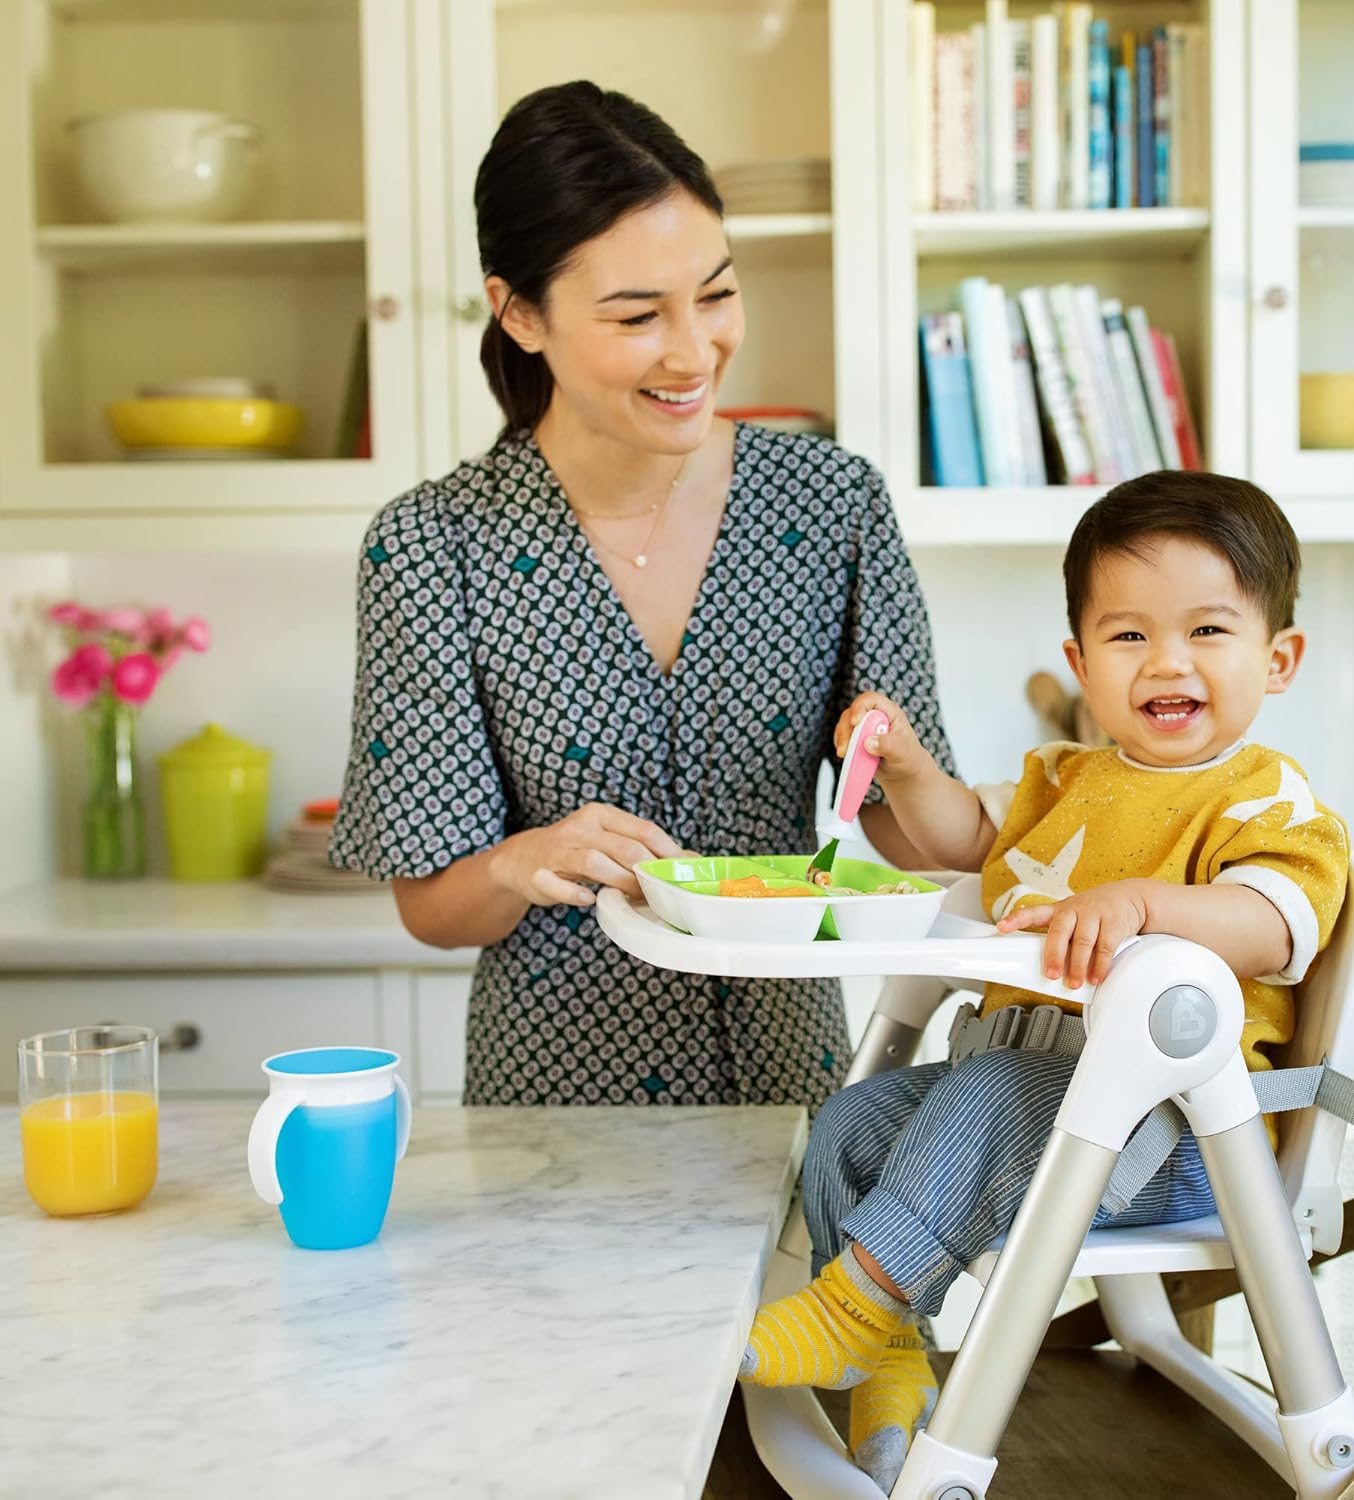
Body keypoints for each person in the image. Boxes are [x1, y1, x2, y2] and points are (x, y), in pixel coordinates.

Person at [327, 79, 953, 1113]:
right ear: (520, 313)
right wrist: (524, 860)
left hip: (788, 1083)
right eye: (636, 315)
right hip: (555, 1102)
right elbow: (434, 907)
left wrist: (914, 768)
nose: (692, 350)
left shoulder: (832, 505)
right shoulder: (432, 544)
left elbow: (908, 838)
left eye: (715, 294)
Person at [738, 470, 1351, 1493]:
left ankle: (850, 1311)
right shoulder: (1062, 779)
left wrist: (1146, 904)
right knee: (851, 1120)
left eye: (1208, 632)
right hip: (1035, 1109)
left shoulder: (1268, 798)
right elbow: (968, 849)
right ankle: (891, 1356)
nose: (1167, 662)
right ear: (1079, 659)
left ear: (1277, 657)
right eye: (1129, 637)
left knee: (976, 1097)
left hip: (1174, 1138)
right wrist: (908, 773)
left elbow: (1272, 923)